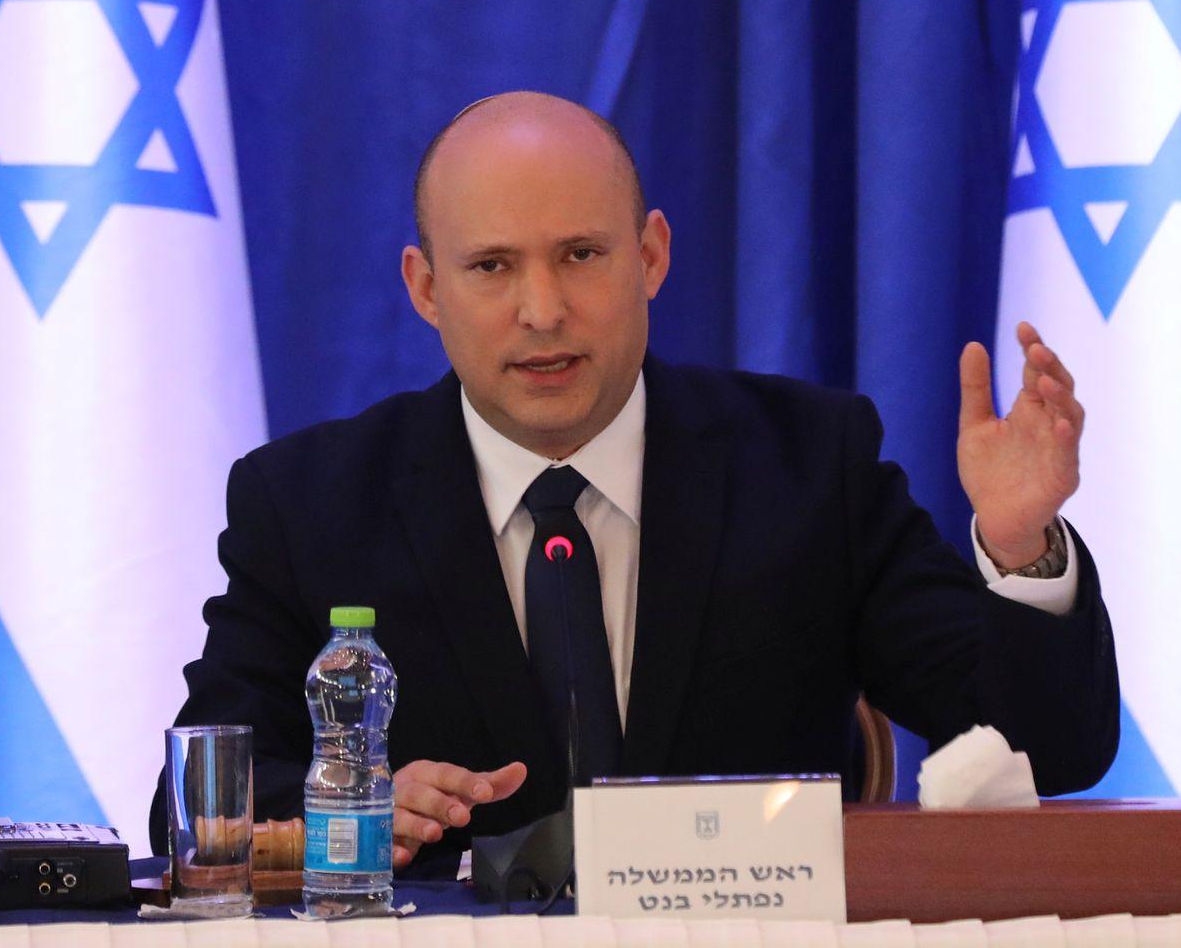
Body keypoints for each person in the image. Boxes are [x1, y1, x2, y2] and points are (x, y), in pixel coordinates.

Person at [153, 91, 1118, 873]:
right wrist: (354, 807)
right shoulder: (310, 503)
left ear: (650, 255)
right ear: (425, 288)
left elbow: (1052, 753)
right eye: (492, 267)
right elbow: (194, 811)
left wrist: (1022, 544)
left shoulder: (807, 465)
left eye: (581, 254)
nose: (543, 310)